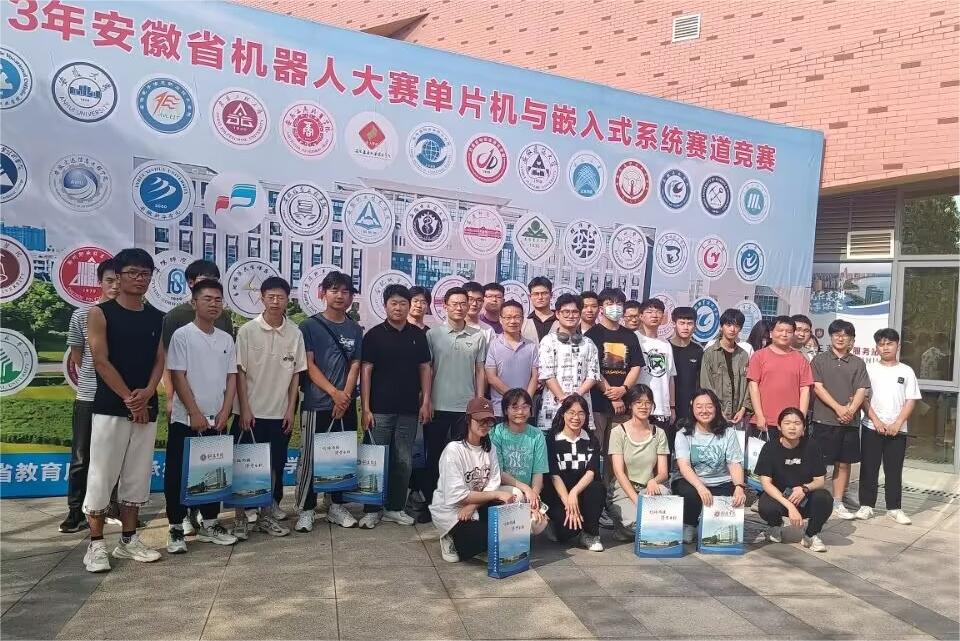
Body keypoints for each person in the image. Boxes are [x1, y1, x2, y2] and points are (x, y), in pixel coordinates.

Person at [82, 248, 165, 572]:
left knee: (137, 476)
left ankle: (128, 540)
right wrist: (131, 399)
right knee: (102, 476)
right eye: (133, 272)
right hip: (111, 407)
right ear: (118, 276)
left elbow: (159, 360)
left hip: (146, 407)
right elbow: (101, 361)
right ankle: (95, 545)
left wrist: (148, 392)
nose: (140, 279)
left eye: (145, 273)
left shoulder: (157, 317)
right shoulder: (100, 313)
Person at [159, 259, 234, 536]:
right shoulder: (182, 335)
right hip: (187, 417)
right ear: (194, 302)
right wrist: (194, 412)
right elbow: (178, 375)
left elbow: (232, 377)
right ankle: (176, 526)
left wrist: (226, 410)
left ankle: (211, 523)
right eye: (207, 299)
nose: (213, 304)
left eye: (217, 300)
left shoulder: (226, 338)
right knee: (179, 471)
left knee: (214, 467)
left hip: (217, 417)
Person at [231, 276, 304, 539]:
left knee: (274, 466)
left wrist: (290, 410)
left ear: (287, 300)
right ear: (261, 298)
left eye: (280, 297)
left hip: (279, 414)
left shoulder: (295, 333)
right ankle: (240, 518)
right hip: (249, 414)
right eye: (270, 296)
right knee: (243, 466)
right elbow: (240, 372)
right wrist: (244, 408)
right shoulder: (247, 331)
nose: (275, 301)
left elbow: (296, 375)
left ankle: (265, 516)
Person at [360, 284, 433, 528]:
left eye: (403, 303)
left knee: (403, 461)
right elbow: (366, 371)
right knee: (374, 460)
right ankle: (372, 509)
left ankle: (395, 507)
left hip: (408, 411)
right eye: (394, 303)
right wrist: (366, 408)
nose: (399, 308)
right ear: (385, 305)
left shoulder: (418, 335)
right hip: (379, 410)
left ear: (409, 306)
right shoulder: (374, 335)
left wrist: (425, 401)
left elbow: (425, 368)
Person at [296, 271, 363, 532]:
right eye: (334, 290)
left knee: (341, 457)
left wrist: (344, 396)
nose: (340, 296)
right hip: (317, 403)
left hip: (345, 404)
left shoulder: (355, 329)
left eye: (345, 291)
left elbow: (355, 364)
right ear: (323, 293)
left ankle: (336, 505)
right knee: (311, 458)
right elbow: (308, 364)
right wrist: (334, 393)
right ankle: (306, 508)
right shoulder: (309, 326)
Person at [60, 259, 119, 533]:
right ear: (99, 282)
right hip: (88, 395)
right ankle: (76, 512)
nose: (115, 286)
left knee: (116, 456)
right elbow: (78, 355)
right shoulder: (81, 315)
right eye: (109, 280)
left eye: (119, 280)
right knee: (81, 457)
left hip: (118, 398)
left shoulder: (131, 316)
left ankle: (112, 508)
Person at [430, 398, 516, 563]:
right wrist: (496, 495)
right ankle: (448, 535)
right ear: (468, 419)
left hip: (476, 503)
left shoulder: (490, 448)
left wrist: (473, 505)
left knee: (505, 527)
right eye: (480, 420)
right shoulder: (454, 450)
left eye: (489, 421)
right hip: (453, 509)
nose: (485, 425)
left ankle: (480, 542)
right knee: (482, 538)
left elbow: (492, 483)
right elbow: (457, 494)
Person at [425, 287, 487, 506]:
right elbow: (427, 370)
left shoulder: (478, 336)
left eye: (463, 303)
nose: (459, 308)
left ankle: (460, 503)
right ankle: (433, 502)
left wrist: (479, 402)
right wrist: (426, 400)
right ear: (445, 306)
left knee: (464, 458)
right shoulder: (433, 335)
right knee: (435, 456)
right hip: (438, 405)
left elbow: (480, 370)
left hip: (466, 408)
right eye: (454, 304)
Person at [857, 328, 921, 525]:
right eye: (881, 344)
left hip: (897, 430)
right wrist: (876, 421)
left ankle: (894, 508)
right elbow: (863, 398)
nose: (885, 348)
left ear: (898, 346)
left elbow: (911, 400)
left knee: (894, 470)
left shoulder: (906, 371)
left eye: (889, 344)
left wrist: (898, 423)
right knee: (869, 468)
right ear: (876, 347)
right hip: (871, 426)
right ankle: (866, 505)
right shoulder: (869, 369)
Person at [811, 319, 870, 520]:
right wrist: (838, 408)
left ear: (851, 339)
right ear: (831, 336)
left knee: (844, 463)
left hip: (849, 422)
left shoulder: (858, 363)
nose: (841, 338)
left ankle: (838, 502)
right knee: (818, 464)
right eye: (837, 334)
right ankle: (814, 500)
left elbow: (861, 389)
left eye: (845, 335)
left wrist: (850, 411)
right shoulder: (819, 360)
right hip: (824, 420)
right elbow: (817, 387)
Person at [673, 389, 746, 544]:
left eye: (709, 406)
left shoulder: (728, 432)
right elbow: (684, 466)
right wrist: (700, 487)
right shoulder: (683, 433)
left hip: (721, 481)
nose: (704, 411)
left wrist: (739, 486)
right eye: (699, 406)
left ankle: (710, 526)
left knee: (733, 499)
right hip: (693, 481)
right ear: (692, 408)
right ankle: (689, 523)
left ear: (716, 408)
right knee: (689, 492)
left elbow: (734, 463)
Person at [755, 407, 832, 552]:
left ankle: (810, 535)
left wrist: (805, 488)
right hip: (780, 497)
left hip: (803, 497)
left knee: (825, 498)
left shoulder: (811, 446)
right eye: (787, 423)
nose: (792, 427)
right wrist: (790, 507)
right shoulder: (770, 448)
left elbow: (820, 481)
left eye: (797, 423)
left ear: (803, 427)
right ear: (779, 426)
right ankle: (775, 526)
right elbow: (766, 483)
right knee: (766, 506)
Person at [542, 394, 606, 552]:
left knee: (597, 488)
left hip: (581, 493)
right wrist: (568, 501)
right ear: (563, 414)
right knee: (567, 532)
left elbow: (591, 472)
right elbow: (554, 474)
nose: (576, 417)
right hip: (558, 495)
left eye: (581, 413)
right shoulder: (552, 439)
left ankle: (590, 534)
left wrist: (574, 493)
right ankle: (555, 525)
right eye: (571, 412)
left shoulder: (591, 439)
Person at [607, 385, 670, 541]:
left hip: (648, 488)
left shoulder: (659, 433)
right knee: (640, 525)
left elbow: (663, 473)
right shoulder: (618, 432)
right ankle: (622, 529)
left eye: (648, 403)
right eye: (639, 402)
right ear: (630, 405)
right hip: (623, 490)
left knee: (665, 498)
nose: (644, 406)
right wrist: (637, 501)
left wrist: (654, 481)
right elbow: (618, 472)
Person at [584, 287, 642, 455]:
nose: (615, 307)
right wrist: (613, 396)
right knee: (595, 449)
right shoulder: (591, 335)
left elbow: (636, 366)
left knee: (618, 451)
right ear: (601, 308)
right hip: (598, 404)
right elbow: (592, 369)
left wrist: (623, 389)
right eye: (610, 303)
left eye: (619, 303)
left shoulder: (630, 336)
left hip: (624, 404)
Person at [536, 293, 600, 430]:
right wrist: (563, 399)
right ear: (557, 314)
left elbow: (593, 375)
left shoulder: (588, 343)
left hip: (581, 409)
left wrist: (576, 398)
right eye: (566, 312)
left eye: (575, 312)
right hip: (553, 409)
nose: (571, 316)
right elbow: (547, 374)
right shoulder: (548, 341)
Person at [490, 389, 549, 535]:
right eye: (515, 407)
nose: (520, 412)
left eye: (525, 407)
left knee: (539, 524)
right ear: (506, 410)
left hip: (527, 490)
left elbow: (538, 472)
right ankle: (508, 538)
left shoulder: (537, 435)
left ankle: (517, 535)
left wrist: (534, 496)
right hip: (502, 487)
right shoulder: (496, 433)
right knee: (517, 495)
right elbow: (499, 472)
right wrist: (526, 489)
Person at [747, 316, 814, 439]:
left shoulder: (800, 359)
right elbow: (753, 386)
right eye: (780, 330)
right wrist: (759, 415)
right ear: (771, 333)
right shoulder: (759, 356)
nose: (784, 334)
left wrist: (801, 419)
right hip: (764, 421)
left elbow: (805, 390)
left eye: (789, 332)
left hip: (791, 423)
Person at [485, 300, 539, 418]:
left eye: (517, 317)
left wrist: (525, 401)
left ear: (522, 319)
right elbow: (491, 378)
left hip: (524, 410)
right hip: (500, 409)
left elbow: (535, 377)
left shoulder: (531, 346)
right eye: (508, 317)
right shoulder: (493, 345)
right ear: (501, 319)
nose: (513, 321)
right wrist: (514, 398)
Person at [700, 309, 752, 425]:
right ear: (721, 326)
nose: (732, 329)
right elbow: (706, 384)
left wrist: (743, 409)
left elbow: (748, 385)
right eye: (728, 325)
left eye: (737, 326)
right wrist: (717, 410)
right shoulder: (710, 353)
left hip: (738, 416)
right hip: (715, 415)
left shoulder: (743, 355)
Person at [636, 299, 676, 431]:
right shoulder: (634, 339)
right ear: (641, 316)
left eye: (658, 312)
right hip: (639, 406)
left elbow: (670, 377)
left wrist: (671, 407)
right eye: (649, 312)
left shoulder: (666, 344)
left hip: (662, 409)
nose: (654, 315)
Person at [670, 306, 703, 425]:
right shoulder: (665, 347)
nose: (685, 327)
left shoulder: (698, 350)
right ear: (674, 324)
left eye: (689, 323)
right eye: (682, 323)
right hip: (668, 406)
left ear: (695, 326)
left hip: (690, 407)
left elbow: (700, 380)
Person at [521, 276, 557, 343]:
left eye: (544, 293)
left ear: (551, 295)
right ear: (530, 297)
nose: (540, 297)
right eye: (536, 294)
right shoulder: (523, 323)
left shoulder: (561, 321)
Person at [463, 280, 494, 346]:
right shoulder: (449, 327)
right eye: (470, 299)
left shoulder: (488, 330)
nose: (474, 304)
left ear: (483, 302)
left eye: (479, 300)